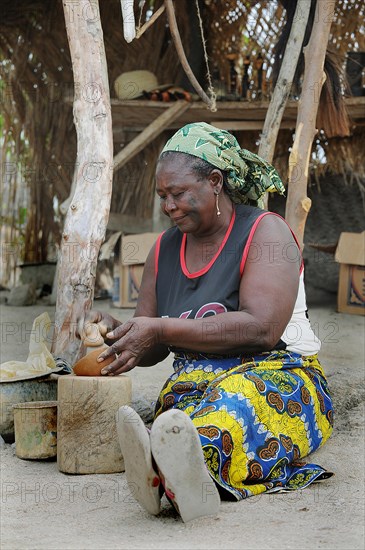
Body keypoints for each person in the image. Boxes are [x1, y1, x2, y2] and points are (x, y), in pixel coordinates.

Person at [78, 122, 333, 523]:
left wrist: (161, 327)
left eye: (179, 193)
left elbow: (261, 329)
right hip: (196, 379)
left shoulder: (265, 233)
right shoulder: (163, 248)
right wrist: (120, 332)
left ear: (215, 181)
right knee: (180, 412)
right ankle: (167, 470)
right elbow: (153, 347)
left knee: (232, 406)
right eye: (163, 196)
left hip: (280, 374)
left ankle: (179, 476)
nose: (169, 206)